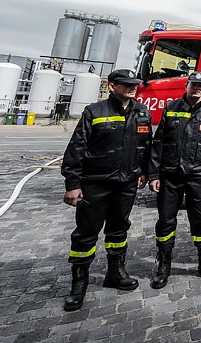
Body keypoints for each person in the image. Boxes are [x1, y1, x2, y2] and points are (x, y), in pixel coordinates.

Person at [60, 69, 151, 311]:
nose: (133, 87)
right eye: (127, 84)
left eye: (135, 84)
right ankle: (79, 284)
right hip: (96, 183)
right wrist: (73, 184)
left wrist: (143, 171)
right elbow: (77, 148)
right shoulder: (95, 111)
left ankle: (115, 273)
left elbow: (145, 146)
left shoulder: (142, 112)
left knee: (119, 229)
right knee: (86, 233)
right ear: (112, 86)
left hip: (126, 184)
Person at [148, 71, 201, 288]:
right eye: (194, 84)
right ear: (187, 85)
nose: (198, 88)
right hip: (170, 174)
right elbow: (159, 142)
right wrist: (154, 174)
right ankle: (164, 264)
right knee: (165, 220)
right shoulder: (171, 108)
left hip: (199, 174)